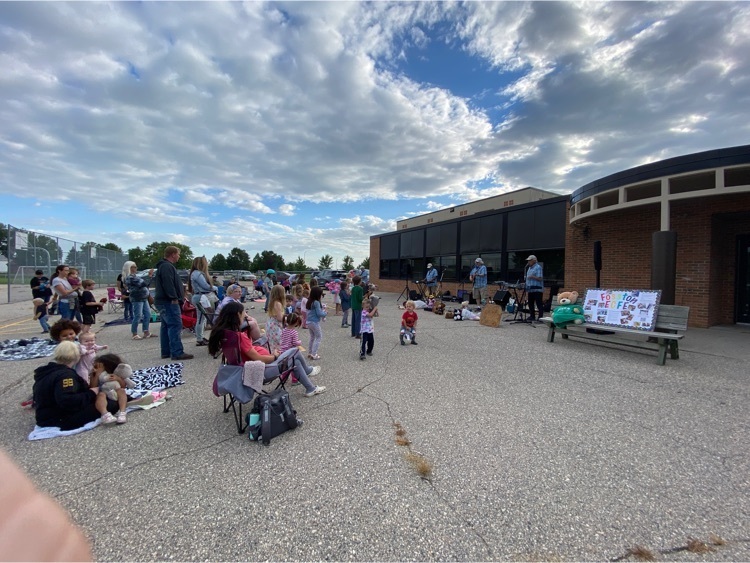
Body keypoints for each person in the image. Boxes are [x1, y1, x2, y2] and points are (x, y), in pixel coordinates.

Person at [207, 301, 325, 398]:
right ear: (238, 314)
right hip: (261, 371)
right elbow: (257, 357)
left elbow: (249, 353)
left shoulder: (226, 334)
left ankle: (310, 388)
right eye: (244, 313)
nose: (246, 315)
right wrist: (274, 356)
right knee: (295, 352)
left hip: (242, 370)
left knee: (296, 361)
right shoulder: (239, 336)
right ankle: (309, 373)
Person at [32, 341, 127, 429]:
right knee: (111, 404)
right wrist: (91, 393)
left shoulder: (49, 371)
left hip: (45, 414)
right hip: (57, 418)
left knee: (103, 400)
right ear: (77, 356)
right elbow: (68, 401)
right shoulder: (66, 375)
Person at [154, 246, 193, 361]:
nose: (179, 256)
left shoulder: (163, 266)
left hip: (163, 301)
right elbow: (168, 283)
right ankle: (177, 352)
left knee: (166, 326)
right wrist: (174, 297)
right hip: (168, 301)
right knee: (175, 325)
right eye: (178, 254)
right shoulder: (167, 266)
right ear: (173, 254)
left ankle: (166, 351)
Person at [124, 262, 155, 340]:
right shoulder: (130, 277)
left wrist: (150, 277)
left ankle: (146, 331)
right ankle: (134, 333)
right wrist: (149, 276)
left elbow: (146, 284)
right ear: (129, 268)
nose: (136, 268)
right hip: (137, 298)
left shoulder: (135, 276)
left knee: (147, 314)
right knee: (138, 315)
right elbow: (143, 283)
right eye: (134, 267)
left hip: (144, 298)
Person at [188, 256, 213, 347]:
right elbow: (206, 286)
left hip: (199, 296)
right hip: (200, 297)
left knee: (203, 319)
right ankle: (199, 338)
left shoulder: (194, 273)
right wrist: (215, 288)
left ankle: (200, 337)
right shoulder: (198, 274)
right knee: (201, 319)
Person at [306, 286, 327, 360]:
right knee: (319, 337)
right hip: (314, 322)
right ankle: (314, 354)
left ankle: (310, 352)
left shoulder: (310, 301)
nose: (322, 296)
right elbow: (319, 313)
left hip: (308, 321)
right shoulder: (316, 302)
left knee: (312, 337)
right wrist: (325, 313)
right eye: (321, 294)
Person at [265, 284, 286, 353]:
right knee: (278, 344)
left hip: (270, 324)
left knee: (272, 344)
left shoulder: (272, 302)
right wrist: (287, 319)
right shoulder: (278, 303)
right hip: (275, 326)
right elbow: (279, 318)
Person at [525, 254, 544, 322]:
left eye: (530, 261)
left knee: (539, 303)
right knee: (530, 303)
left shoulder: (538, 267)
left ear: (534, 260)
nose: (528, 262)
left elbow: (540, 278)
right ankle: (532, 316)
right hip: (530, 289)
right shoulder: (529, 268)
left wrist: (532, 277)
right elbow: (528, 278)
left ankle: (540, 317)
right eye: (528, 261)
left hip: (537, 289)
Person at [350, 275, 364, 339]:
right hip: (358, 306)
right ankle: (358, 333)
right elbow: (360, 299)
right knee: (358, 320)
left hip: (353, 305)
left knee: (353, 319)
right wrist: (364, 298)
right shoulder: (360, 289)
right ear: (359, 281)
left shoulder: (353, 288)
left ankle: (353, 332)